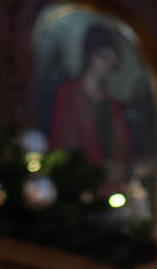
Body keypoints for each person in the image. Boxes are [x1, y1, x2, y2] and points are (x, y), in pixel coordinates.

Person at [43, 20, 140, 194]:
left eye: (112, 61)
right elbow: (61, 144)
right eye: (104, 58)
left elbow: (124, 147)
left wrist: (119, 168)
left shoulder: (112, 104)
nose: (107, 66)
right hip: (76, 191)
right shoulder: (68, 94)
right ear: (91, 56)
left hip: (111, 192)